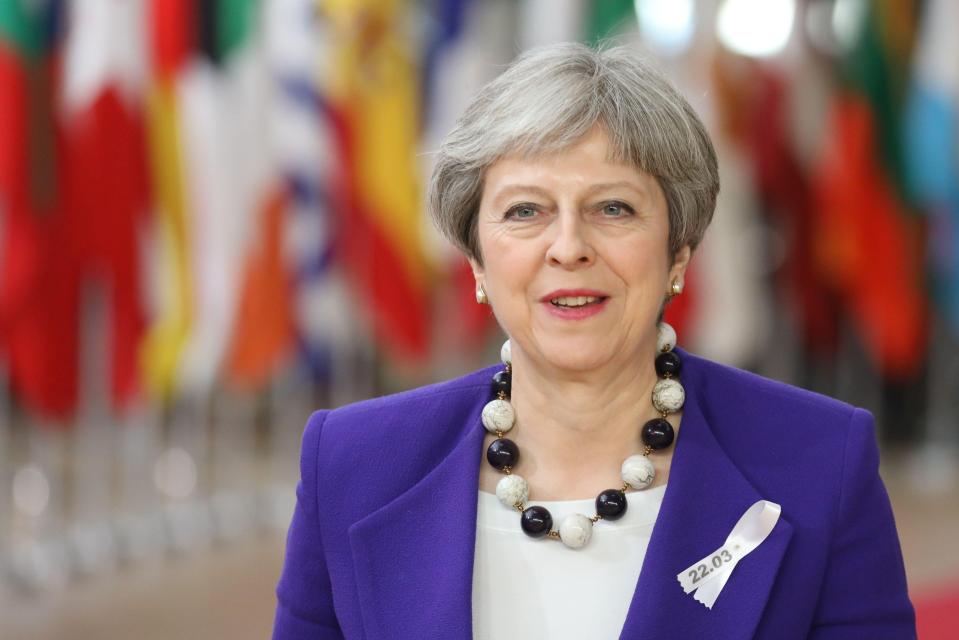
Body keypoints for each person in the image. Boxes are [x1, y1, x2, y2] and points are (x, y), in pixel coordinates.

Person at [272, 43, 915, 640]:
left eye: (614, 208)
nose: (569, 247)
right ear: (475, 262)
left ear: (678, 254)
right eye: (525, 210)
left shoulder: (820, 462)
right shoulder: (352, 466)